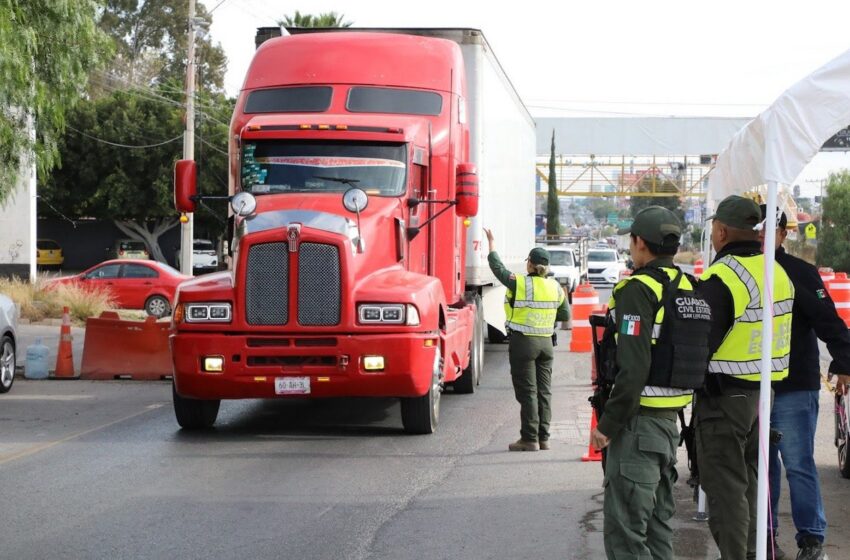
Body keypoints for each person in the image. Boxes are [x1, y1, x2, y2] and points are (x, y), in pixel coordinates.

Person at [589, 206, 706, 560]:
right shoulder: (690, 286)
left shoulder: (637, 290)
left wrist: (606, 426)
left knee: (626, 535)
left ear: (640, 242)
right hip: (669, 423)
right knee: (657, 531)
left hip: (637, 425)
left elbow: (633, 367)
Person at [696, 195, 795, 560]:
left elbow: (699, 345)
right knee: (752, 487)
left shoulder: (723, 277)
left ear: (720, 231)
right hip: (762, 399)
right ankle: (757, 554)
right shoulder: (778, 271)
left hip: (725, 401)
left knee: (726, 491)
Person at [760, 204, 850, 560]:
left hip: (794, 386)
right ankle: (764, 538)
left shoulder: (800, 273)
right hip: (751, 387)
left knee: (798, 464)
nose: (763, 237)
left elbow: (829, 320)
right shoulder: (736, 271)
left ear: (783, 233)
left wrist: (844, 362)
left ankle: (811, 540)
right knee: (762, 466)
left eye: (770, 231)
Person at [484, 228, 569, 451]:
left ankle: (529, 438)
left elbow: (498, 269)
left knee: (528, 392)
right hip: (546, 344)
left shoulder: (520, 283)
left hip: (524, 343)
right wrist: (547, 319)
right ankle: (544, 438)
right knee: (544, 391)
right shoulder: (556, 287)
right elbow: (565, 315)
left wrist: (491, 243)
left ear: (529, 264)